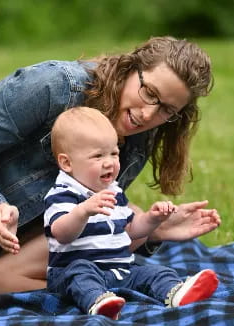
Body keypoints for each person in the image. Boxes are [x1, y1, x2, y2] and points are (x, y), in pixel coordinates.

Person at [0, 36, 221, 297]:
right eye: (149, 93)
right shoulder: (53, 86)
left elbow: (91, 212)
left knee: (117, 218)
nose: (148, 114)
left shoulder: (140, 136)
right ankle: (40, 288)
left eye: (166, 110)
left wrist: (152, 230)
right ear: (131, 68)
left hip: (25, 246)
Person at [43, 106, 218, 320]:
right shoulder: (64, 194)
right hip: (71, 272)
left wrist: (152, 219)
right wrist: (83, 211)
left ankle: (176, 292)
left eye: (114, 153)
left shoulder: (113, 191)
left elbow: (130, 230)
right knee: (80, 273)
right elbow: (61, 233)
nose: (110, 162)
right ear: (67, 162)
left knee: (152, 271)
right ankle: (98, 302)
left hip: (119, 269)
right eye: (98, 156)